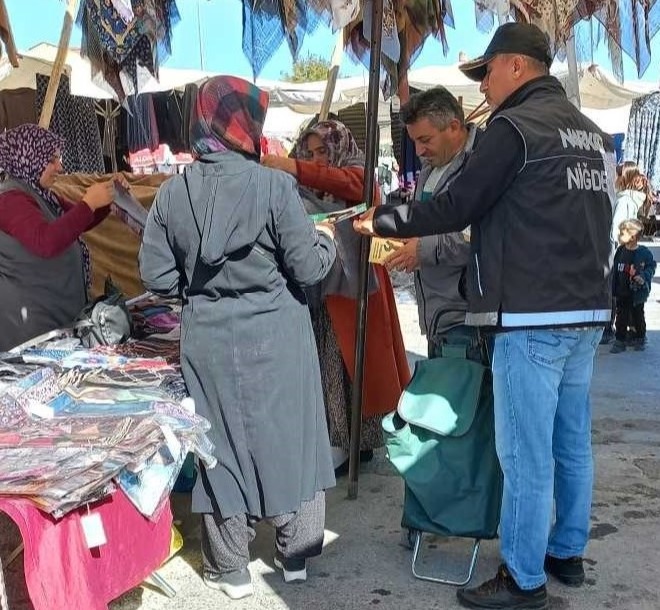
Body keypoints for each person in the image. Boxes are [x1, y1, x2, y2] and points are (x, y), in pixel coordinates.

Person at [354, 23, 613, 610]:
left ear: (515, 67)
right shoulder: (590, 132)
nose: (485, 87)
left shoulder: (513, 127)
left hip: (532, 314)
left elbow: (460, 205)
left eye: (488, 72)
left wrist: (385, 221)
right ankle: (566, 552)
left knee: (524, 451)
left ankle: (523, 578)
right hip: (586, 309)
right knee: (570, 442)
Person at [139, 76, 337, 600]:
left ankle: (230, 570)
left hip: (207, 338)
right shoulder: (274, 186)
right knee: (290, 438)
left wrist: (197, 292)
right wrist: (328, 241)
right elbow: (309, 267)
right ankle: (295, 555)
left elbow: (157, 278)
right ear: (246, 122)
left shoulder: (172, 191)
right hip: (277, 334)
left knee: (218, 445)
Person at [262, 119, 410, 475]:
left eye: (322, 152)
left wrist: (295, 167)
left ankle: (362, 444)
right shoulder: (299, 188)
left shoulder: (356, 173)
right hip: (319, 292)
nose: (317, 160)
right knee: (329, 371)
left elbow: (360, 188)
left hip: (358, 291)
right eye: (309, 153)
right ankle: (337, 446)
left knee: (359, 369)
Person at [383, 86, 483, 359]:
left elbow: (481, 235)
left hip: (469, 321)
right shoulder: (430, 169)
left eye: (425, 139)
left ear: (453, 126)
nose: (419, 150)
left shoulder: (483, 163)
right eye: (414, 140)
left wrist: (423, 249)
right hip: (437, 318)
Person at [0, 123, 118, 351]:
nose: (59, 167)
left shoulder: (41, 195)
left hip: (53, 320)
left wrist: (106, 201)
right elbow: (46, 242)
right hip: (30, 332)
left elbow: (75, 222)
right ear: (30, 158)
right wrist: (89, 203)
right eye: (51, 159)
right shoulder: (10, 199)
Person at [602, 161, 653, 343]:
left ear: (623, 177)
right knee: (630, 296)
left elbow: (616, 230)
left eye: (616, 173)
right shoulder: (631, 199)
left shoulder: (624, 200)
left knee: (618, 293)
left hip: (619, 252)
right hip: (627, 252)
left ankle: (612, 330)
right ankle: (633, 332)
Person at [610, 219, 656, 353]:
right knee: (621, 317)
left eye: (622, 233)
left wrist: (644, 276)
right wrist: (612, 287)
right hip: (622, 292)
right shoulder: (620, 250)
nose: (619, 235)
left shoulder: (644, 253)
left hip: (637, 293)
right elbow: (614, 269)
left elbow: (651, 266)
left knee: (638, 316)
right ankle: (620, 340)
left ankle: (640, 337)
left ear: (633, 236)